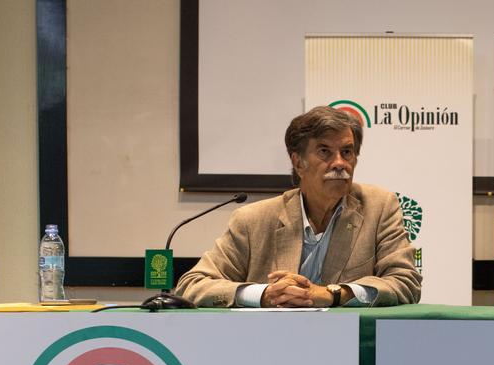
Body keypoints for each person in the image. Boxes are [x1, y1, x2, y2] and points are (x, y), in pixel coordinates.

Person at [175, 106, 421, 307]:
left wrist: (334, 294)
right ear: (298, 162)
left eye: (347, 152)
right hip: (270, 348)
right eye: (325, 152)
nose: (339, 163)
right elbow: (193, 284)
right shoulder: (253, 220)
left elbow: (405, 281)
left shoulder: (378, 207)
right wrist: (265, 294)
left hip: (348, 347)